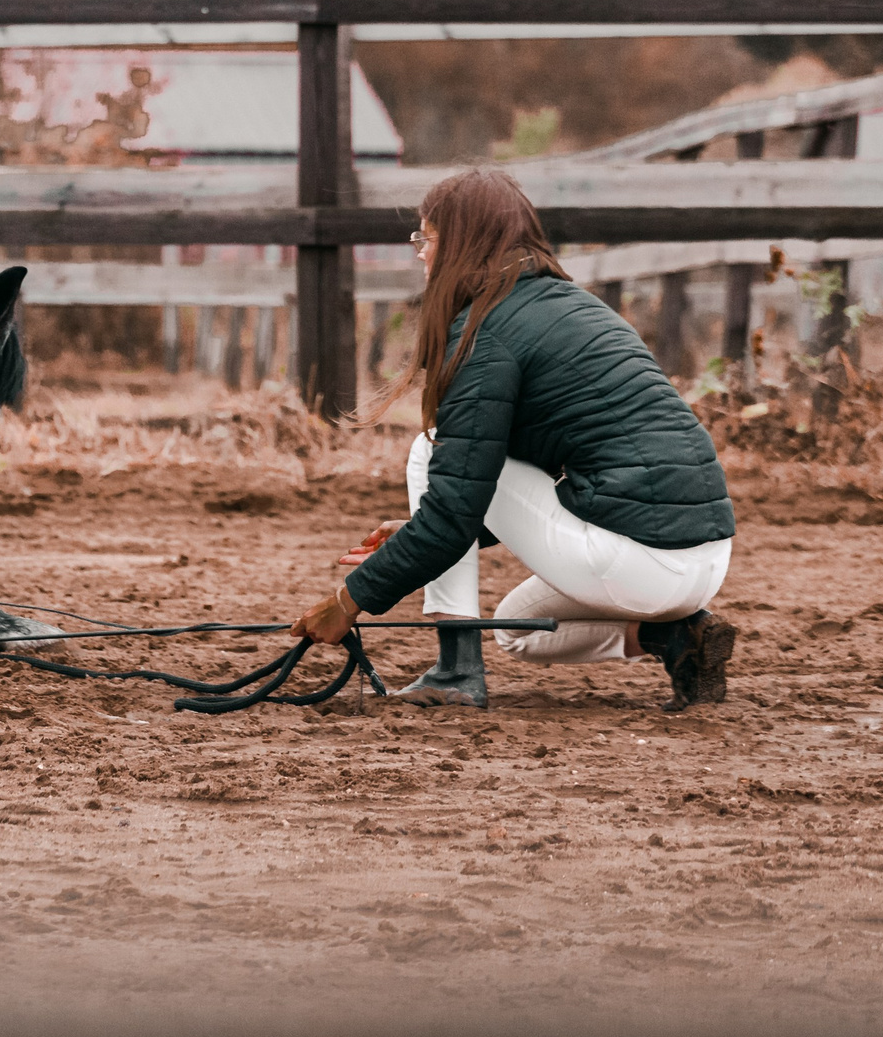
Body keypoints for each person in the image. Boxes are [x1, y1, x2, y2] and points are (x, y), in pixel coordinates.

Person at [290, 167, 738, 710]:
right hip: (705, 563)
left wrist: (348, 600)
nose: (420, 254)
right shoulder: (580, 307)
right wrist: (427, 530)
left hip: (640, 563)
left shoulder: (487, 334)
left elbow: (455, 510)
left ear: (459, 244)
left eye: (425, 238)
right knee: (519, 630)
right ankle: (677, 638)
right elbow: (523, 485)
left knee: (427, 450)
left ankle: (456, 671)